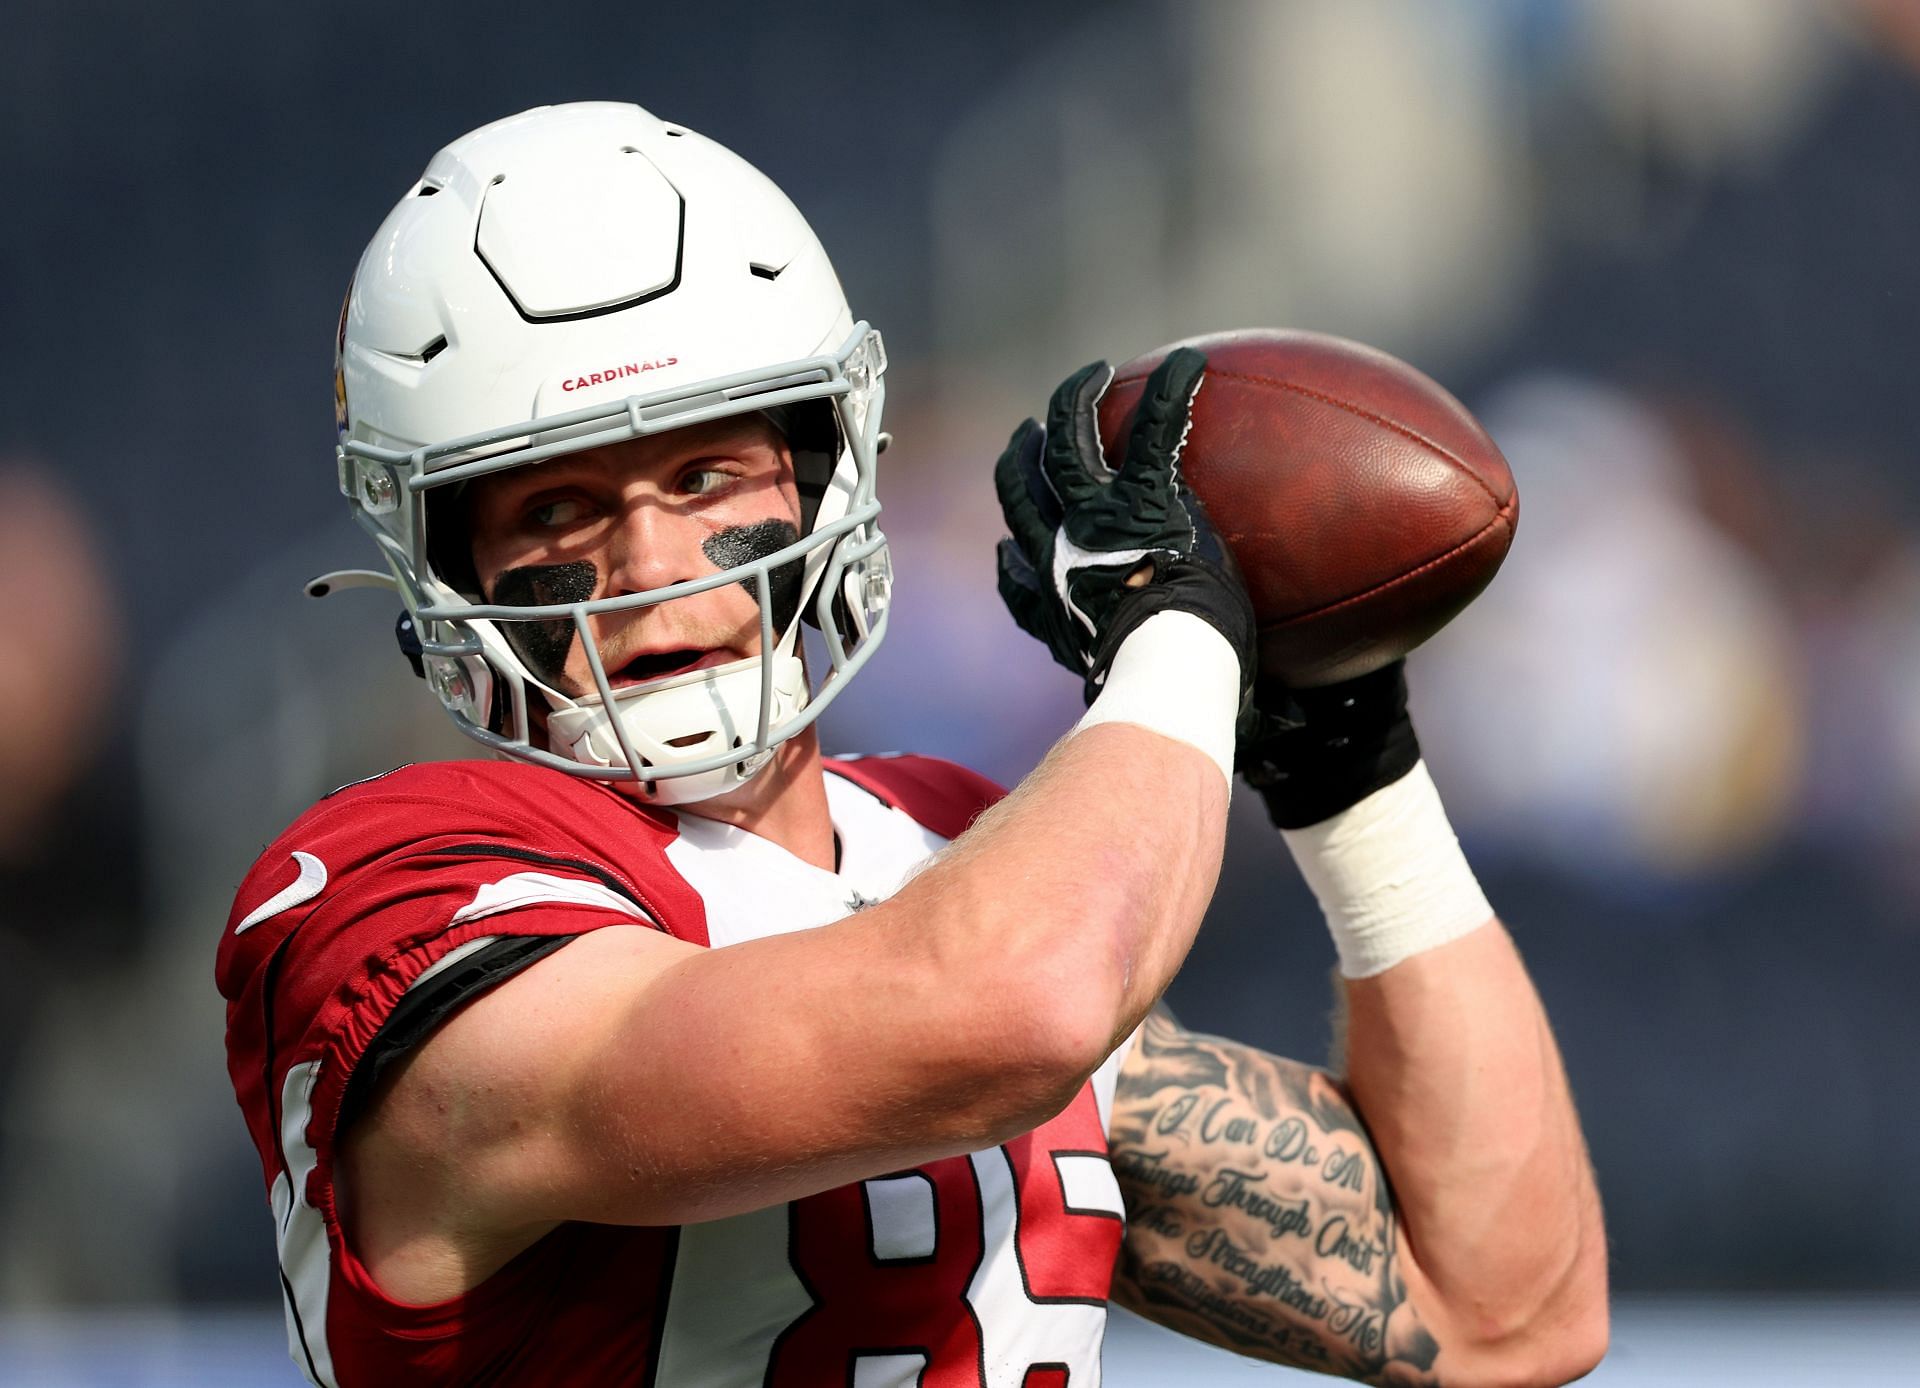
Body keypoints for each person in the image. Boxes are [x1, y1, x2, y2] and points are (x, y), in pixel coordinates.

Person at [217, 102, 1607, 1387]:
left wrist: (1347, 766)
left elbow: (1503, 1305)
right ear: (445, 569)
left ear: (828, 473)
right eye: (552, 513)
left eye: (704, 474)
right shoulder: (394, 885)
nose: (649, 562)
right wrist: (1179, 637)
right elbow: (1016, 1007)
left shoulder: (949, 854)